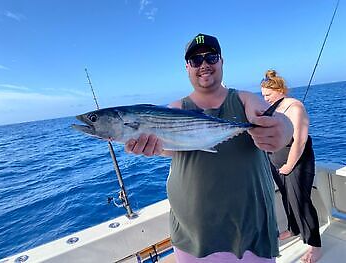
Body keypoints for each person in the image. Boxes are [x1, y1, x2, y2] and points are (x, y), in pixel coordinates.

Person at [125, 33, 293, 263]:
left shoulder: (244, 99)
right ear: (187, 68)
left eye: (211, 57)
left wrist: (283, 129)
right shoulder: (176, 108)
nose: (203, 64)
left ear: (222, 61)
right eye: (195, 61)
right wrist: (152, 148)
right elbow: (172, 150)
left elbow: (278, 121)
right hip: (194, 233)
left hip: (250, 227)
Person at [261, 69, 322, 263]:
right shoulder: (273, 108)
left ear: (280, 90)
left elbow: (300, 141)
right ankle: (294, 228)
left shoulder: (295, 107)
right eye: (263, 96)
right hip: (276, 161)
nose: (265, 99)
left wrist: (289, 165)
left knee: (300, 201)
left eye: (268, 95)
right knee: (287, 197)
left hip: (296, 163)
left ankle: (314, 245)